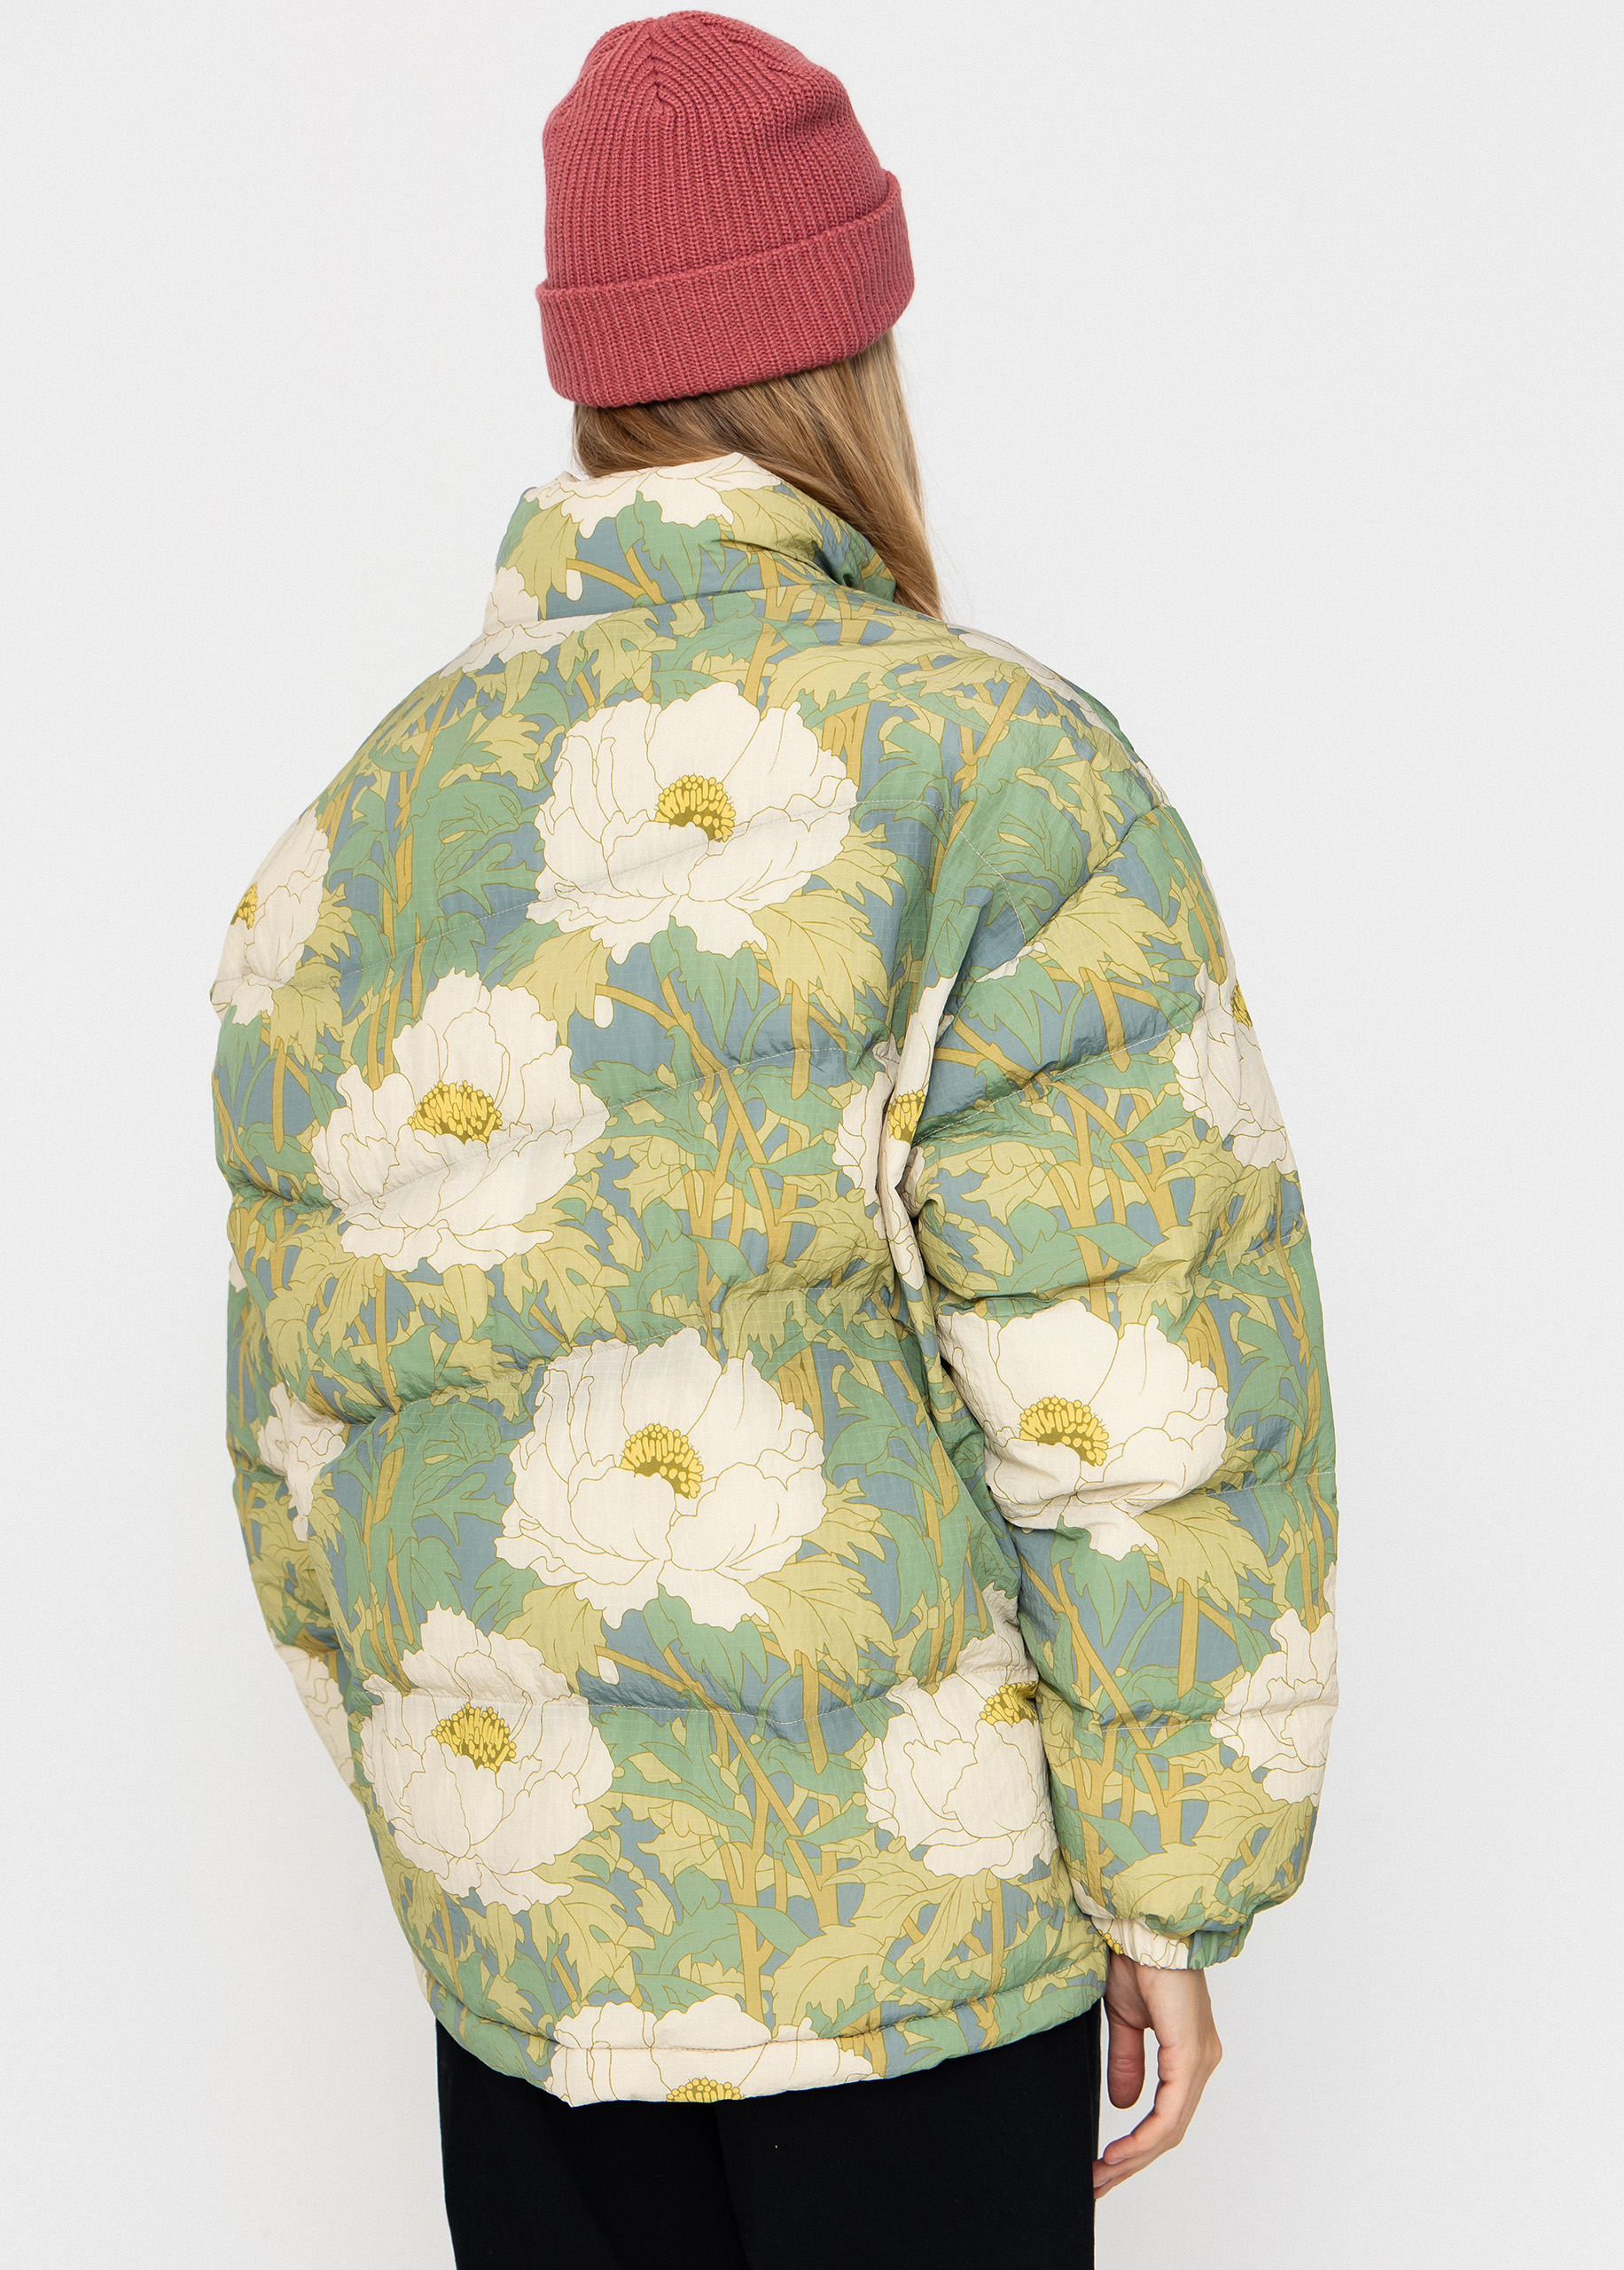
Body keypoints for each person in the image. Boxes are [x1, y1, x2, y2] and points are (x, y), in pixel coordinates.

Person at [210, 13, 1338, 2266]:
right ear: (854, 348)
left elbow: (301, 1428)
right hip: (913, 1946)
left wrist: (486, 1840)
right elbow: (1128, 1368)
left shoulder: (369, 825)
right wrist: (1169, 1877)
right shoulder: (997, 767)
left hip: (533, 1967)